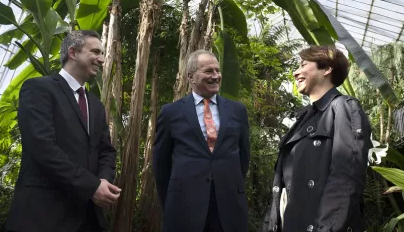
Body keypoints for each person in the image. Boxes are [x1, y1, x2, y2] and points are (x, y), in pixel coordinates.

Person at [6, 30, 120, 232]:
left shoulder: (95, 105)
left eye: (102, 53)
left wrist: (103, 180)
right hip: (44, 215)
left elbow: (106, 151)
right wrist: (91, 186)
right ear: (73, 53)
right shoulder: (39, 89)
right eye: (95, 52)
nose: (101, 59)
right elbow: (41, 146)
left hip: (87, 218)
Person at [262, 45, 371, 232]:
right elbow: (281, 190)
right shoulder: (303, 119)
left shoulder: (343, 107)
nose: (296, 72)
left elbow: (346, 177)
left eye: (303, 65)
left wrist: (326, 228)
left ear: (327, 69)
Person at [153, 50, 250, 232]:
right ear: (191, 76)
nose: (215, 76)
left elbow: (243, 157)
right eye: (208, 71)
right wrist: (171, 199)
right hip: (184, 207)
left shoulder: (238, 111)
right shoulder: (170, 113)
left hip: (228, 206)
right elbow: (161, 164)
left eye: (217, 70)